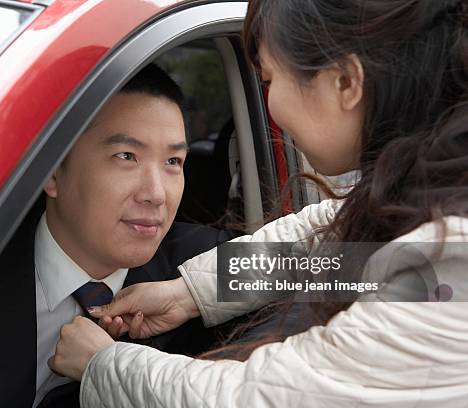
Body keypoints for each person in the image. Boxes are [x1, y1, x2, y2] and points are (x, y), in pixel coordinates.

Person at [49, 0, 468, 406]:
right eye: (126, 156)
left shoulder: (452, 257)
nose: (272, 107)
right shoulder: (431, 195)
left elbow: (260, 397)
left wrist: (102, 365)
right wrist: (189, 293)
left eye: (268, 79)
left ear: (345, 81)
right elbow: (327, 241)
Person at [0, 64, 233, 407]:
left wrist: (187, 293)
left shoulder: (199, 264)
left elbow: (296, 266)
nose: (156, 194)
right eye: (126, 156)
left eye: (173, 161)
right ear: (51, 171)